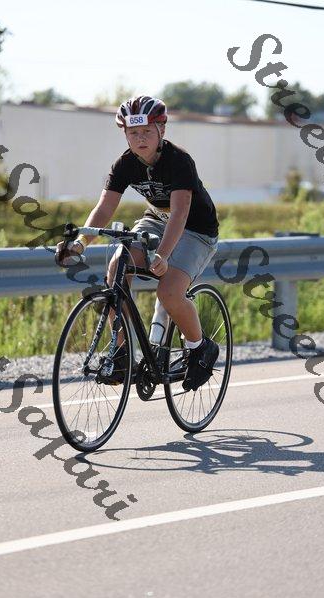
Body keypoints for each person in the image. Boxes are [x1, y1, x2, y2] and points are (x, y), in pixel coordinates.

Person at [56, 95, 220, 392]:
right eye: (133, 132)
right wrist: (80, 243)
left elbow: (180, 213)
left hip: (195, 229)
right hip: (156, 220)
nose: (140, 138)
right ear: (125, 134)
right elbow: (104, 209)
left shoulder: (179, 161)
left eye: (146, 131)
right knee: (117, 268)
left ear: (162, 131)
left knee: (169, 292)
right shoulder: (125, 164)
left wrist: (163, 255)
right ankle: (121, 352)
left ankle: (199, 347)